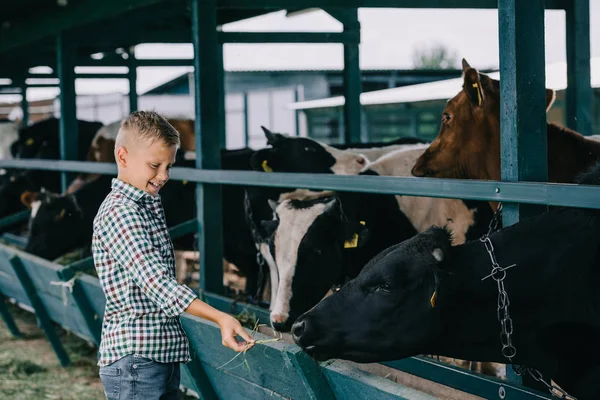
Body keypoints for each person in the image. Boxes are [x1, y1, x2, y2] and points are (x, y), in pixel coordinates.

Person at [92, 111, 255, 399]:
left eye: (169, 166)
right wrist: (220, 317)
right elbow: (158, 284)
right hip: (135, 361)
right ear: (123, 157)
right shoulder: (122, 213)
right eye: (155, 165)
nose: (164, 176)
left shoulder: (146, 205)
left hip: (157, 355)